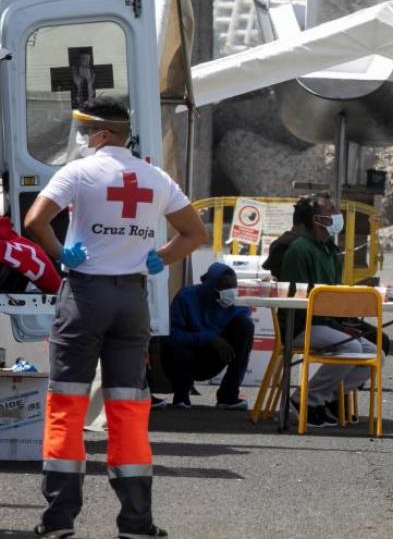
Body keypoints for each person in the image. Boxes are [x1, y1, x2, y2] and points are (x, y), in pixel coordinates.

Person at [24, 96, 208, 538]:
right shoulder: (156, 177)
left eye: (87, 131)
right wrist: (161, 258)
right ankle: (136, 522)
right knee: (128, 408)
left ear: (103, 133)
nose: (83, 139)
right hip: (132, 301)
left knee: (67, 404)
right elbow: (195, 233)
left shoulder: (78, 172)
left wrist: (61, 252)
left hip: (85, 296)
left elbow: (34, 221)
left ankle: (58, 520)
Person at [278, 193, 384, 428]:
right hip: (301, 326)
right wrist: (339, 328)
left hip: (325, 323)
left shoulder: (330, 251)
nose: (337, 215)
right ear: (316, 220)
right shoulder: (300, 250)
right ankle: (305, 399)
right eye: (331, 211)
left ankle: (327, 398)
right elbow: (300, 302)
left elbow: (334, 297)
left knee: (376, 353)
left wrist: (343, 324)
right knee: (351, 347)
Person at [160, 263, 254, 410]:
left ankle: (228, 395)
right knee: (175, 347)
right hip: (186, 356)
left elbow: (243, 330)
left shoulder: (237, 305)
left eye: (233, 287)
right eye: (224, 287)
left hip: (216, 356)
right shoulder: (187, 297)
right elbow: (171, 336)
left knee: (246, 326)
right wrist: (209, 338)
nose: (230, 292)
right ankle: (181, 396)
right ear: (211, 286)